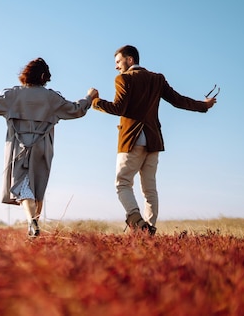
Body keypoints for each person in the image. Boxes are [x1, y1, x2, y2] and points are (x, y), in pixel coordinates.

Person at [0, 58, 98, 238]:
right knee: (38, 188)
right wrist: (89, 96)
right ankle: (34, 227)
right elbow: (76, 109)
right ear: (43, 76)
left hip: (19, 147)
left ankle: (32, 222)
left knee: (24, 187)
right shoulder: (52, 98)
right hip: (43, 147)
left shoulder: (13, 95)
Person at [92, 45, 217, 235]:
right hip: (153, 141)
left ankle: (138, 223)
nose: (116, 67)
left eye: (118, 62)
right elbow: (178, 100)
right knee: (149, 189)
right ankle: (150, 228)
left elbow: (118, 108)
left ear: (130, 60)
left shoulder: (123, 79)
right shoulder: (157, 79)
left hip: (131, 140)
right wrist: (204, 105)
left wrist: (95, 101)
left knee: (122, 184)